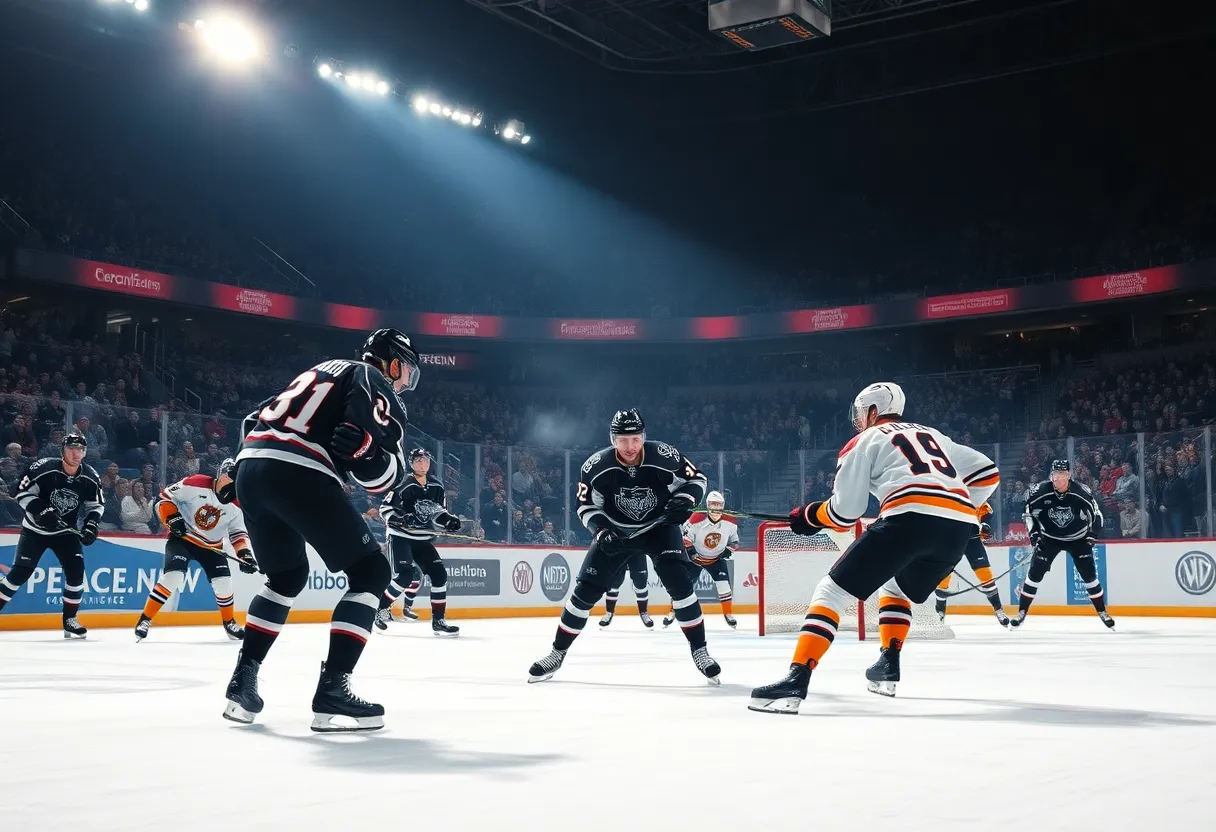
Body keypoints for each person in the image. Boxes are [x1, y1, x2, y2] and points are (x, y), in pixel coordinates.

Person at [749, 383, 999, 714]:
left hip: (908, 519)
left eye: (860, 414)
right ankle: (888, 665)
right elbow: (987, 473)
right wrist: (965, 509)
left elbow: (844, 512)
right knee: (895, 585)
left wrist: (809, 515)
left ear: (872, 412)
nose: (857, 421)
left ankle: (796, 679)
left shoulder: (863, 441)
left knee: (830, 592)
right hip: (955, 531)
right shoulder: (936, 436)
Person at [223, 328, 419, 732]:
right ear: (394, 362)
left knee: (286, 575)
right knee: (372, 574)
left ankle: (243, 681)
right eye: (406, 373)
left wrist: (239, 469)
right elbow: (385, 478)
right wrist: (367, 453)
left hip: (251, 469)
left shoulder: (315, 372)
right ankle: (333, 691)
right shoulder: (371, 377)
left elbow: (250, 419)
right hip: (300, 471)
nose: (404, 383)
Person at [527, 409, 720, 684]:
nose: (630, 447)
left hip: (660, 529)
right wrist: (602, 530)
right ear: (612, 439)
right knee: (584, 593)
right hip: (616, 533)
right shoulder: (594, 466)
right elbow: (585, 505)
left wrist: (685, 500)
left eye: (635, 439)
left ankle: (701, 652)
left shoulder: (665, 455)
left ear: (644, 437)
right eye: (623, 440)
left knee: (681, 587)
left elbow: (697, 479)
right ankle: (556, 653)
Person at [135, 459, 258, 642]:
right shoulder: (196, 483)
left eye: (235, 479)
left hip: (212, 547)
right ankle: (144, 619)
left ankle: (229, 622)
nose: (231, 482)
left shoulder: (238, 504)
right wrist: (172, 518)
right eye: (228, 477)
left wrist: (245, 555)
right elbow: (165, 498)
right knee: (173, 576)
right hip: (183, 539)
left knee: (224, 583)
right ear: (220, 475)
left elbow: (238, 534)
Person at [0, 431, 103, 638]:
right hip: (35, 530)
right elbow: (20, 493)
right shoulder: (43, 468)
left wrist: (91, 525)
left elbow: (96, 505)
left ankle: (69, 620)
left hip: (66, 532)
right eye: (71, 448)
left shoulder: (90, 476)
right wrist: (40, 510)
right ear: (62, 451)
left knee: (76, 571)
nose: (76, 453)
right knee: (19, 573)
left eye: (80, 449)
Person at [1013, 459, 1114, 630]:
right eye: (1055, 474)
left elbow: (1097, 516)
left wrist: (1091, 536)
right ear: (1050, 475)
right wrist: (1035, 536)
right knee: (1034, 574)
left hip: (1078, 538)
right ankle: (1021, 612)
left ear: (1069, 475)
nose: (1057, 478)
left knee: (1089, 575)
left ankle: (1102, 612)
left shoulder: (1081, 491)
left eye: (1062, 474)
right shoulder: (1039, 491)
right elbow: (1029, 515)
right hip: (1049, 537)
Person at [375, 448, 462, 637]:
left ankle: (438, 621)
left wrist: (449, 521)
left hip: (422, 539)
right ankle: (380, 609)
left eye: (426, 460)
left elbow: (439, 511)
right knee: (405, 576)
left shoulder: (436, 486)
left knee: (439, 575)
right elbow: (385, 509)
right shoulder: (403, 484)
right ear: (411, 463)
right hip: (401, 536)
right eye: (418, 460)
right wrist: (398, 519)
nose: (423, 464)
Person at [664, 490, 740, 629]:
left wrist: (728, 551)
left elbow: (734, 541)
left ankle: (728, 614)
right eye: (712, 504)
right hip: (695, 560)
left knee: (724, 586)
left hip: (716, 560)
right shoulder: (696, 519)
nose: (715, 508)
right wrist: (691, 552)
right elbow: (685, 539)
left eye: (718, 504)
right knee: (682, 588)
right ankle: (672, 611)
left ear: (723, 505)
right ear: (707, 504)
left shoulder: (731, 521)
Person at [933, 501, 1010, 627]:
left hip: (973, 540)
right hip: (950, 541)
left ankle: (998, 609)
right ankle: (940, 612)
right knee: (943, 577)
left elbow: (987, 515)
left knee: (985, 575)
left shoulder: (976, 494)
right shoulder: (948, 494)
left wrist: (986, 526)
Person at [598, 554, 653, 628]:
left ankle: (643, 612)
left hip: (637, 549)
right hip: (618, 549)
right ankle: (609, 612)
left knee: (641, 583)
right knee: (613, 584)